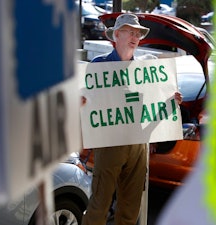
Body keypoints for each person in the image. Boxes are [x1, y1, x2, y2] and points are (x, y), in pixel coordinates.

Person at [81, 13, 182, 225]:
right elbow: (86, 104)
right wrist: (81, 101)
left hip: (138, 147)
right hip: (109, 143)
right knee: (99, 205)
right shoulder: (99, 66)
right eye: (130, 31)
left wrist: (171, 102)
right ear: (116, 35)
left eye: (138, 33)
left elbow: (151, 108)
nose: (135, 36)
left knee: (130, 209)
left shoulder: (146, 70)